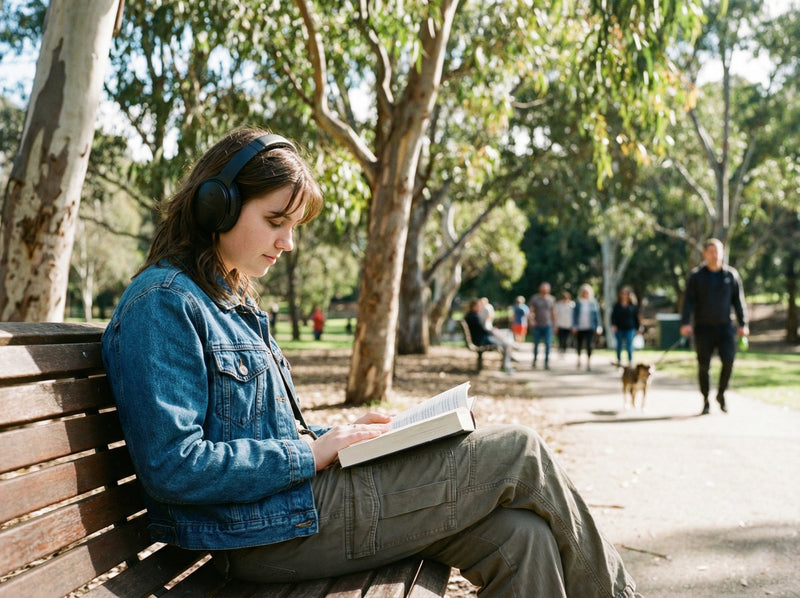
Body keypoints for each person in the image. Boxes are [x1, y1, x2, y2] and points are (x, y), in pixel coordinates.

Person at [101, 127, 639, 598]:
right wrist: (310, 454)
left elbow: (265, 432)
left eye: (293, 226)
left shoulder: (230, 300)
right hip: (261, 534)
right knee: (522, 451)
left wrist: (341, 435)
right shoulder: (164, 303)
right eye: (274, 221)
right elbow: (175, 466)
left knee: (524, 539)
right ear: (215, 206)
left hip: (288, 512)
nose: (288, 242)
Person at [680, 238, 749, 415]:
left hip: (725, 327)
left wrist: (743, 324)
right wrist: (685, 323)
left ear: (722, 253)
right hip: (703, 328)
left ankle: (721, 393)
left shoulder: (731, 275)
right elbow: (688, 302)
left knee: (728, 361)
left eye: (718, 251)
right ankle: (705, 400)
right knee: (704, 365)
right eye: (711, 251)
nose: (715, 254)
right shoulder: (696, 276)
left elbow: (739, 302)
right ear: (704, 254)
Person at [464, 298, 515, 374]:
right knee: (506, 344)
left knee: (506, 340)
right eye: (478, 306)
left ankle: (506, 364)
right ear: (474, 306)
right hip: (480, 340)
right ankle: (505, 366)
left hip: (479, 339)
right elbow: (482, 330)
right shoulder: (473, 317)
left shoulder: (471, 315)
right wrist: (492, 331)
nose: (480, 308)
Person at [572, 284, 603, 371]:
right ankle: (579, 360)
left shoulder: (593, 303)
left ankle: (588, 362)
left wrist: (599, 326)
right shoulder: (578, 302)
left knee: (589, 345)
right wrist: (574, 326)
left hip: (590, 327)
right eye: (584, 292)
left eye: (587, 292)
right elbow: (574, 316)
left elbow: (597, 316)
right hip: (579, 327)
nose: (585, 294)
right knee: (579, 345)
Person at [610, 286, 641, 366]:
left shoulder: (633, 306)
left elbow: (636, 318)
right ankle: (619, 360)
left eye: (626, 293)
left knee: (629, 345)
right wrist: (613, 325)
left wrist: (638, 328)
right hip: (619, 328)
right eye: (622, 293)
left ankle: (630, 361)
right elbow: (613, 316)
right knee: (619, 344)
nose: (624, 295)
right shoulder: (617, 305)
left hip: (630, 328)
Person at [528, 282, 556, 369]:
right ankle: (535, 360)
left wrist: (555, 325)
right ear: (540, 289)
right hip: (537, 325)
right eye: (543, 288)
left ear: (549, 289)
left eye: (546, 288)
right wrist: (532, 320)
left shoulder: (551, 299)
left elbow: (553, 313)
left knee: (548, 344)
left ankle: (546, 362)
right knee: (536, 344)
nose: (544, 290)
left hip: (548, 325)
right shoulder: (535, 298)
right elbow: (531, 311)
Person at [555, 290, 575, 356]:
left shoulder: (572, 305)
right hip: (560, 325)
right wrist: (555, 325)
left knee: (567, 339)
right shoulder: (558, 305)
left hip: (568, 325)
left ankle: (564, 350)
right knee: (561, 339)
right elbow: (555, 315)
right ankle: (560, 349)